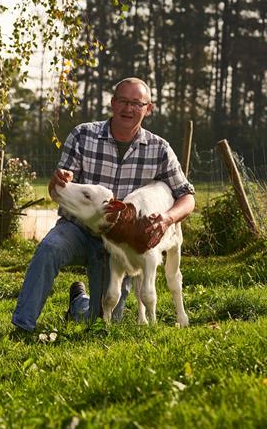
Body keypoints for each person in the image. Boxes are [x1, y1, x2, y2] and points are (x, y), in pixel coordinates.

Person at [11, 77, 195, 332]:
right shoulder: (83, 135)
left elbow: (187, 196)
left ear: (148, 108)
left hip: (121, 244)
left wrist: (167, 219)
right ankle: (23, 326)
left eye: (136, 103)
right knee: (49, 248)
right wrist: (57, 182)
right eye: (122, 101)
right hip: (77, 230)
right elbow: (58, 190)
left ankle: (79, 304)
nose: (128, 109)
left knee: (104, 320)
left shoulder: (159, 149)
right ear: (112, 103)